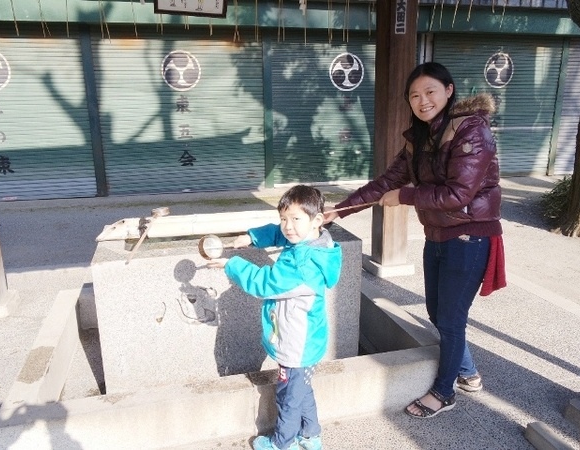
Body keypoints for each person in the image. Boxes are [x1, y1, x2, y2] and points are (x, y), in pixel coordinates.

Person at [324, 62, 505, 419]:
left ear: (449, 91)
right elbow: (385, 183)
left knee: (451, 319)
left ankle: (444, 391)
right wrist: (339, 211)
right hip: (437, 235)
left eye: (430, 92)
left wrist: (405, 196)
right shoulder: (420, 139)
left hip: (469, 237)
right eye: (415, 96)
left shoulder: (472, 131)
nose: (422, 101)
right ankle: (467, 371)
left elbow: (458, 194)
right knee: (438, 312)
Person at [207, 184, 342, 449]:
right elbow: (280, 236)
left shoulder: (303, 265)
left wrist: (232, 264)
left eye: (295, 219)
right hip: (308, 341)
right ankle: (311, 436)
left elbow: (266, 282)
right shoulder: (313, 243)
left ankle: (283, 443)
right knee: (301, 390)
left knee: (287, 397)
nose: (288, 226)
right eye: (283, 218)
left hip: (296, 345)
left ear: (317, 220)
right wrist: (252, 237)